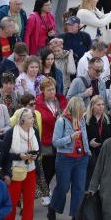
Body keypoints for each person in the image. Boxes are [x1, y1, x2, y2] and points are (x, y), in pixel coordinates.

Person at [47, 97, 91, 220]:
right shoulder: (62, 121)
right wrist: (70, 138)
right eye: (81, 108)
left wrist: (87, 152)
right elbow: (55, 142)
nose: (84, 110)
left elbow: (85, 137)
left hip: (81, 158)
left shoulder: (82, 120)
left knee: (79, 187)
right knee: (63, 186)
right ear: (75, 109)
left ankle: (76, 216)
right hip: (65, 158)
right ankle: (53, 207)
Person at [1, 108, 39, 220]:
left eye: (33, 117)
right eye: (30, 117)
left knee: (29, 201)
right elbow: (4, 154)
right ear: (22, 120)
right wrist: (19, 156)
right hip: (16, 170)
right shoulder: (11, 133)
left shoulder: (34, 132)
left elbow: (37, 149)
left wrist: (34, 155)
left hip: (31, 170)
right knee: (12, 199)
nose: (33, 119)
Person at [36, 77, 67, 205]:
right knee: (47, 167)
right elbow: (44, 119)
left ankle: (49, 190)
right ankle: (45, 192)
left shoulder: (61, 101)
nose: (52, 92)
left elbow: (68, 113)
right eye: (48, 90)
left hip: (60, 139)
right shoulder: (38, 104)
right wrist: (56, 119)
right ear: (42, 91)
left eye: (53, 89)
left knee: (57, 166)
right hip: (46, 140)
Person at [85, 95, 111, 190]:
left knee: (105, 178)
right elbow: (82, 136)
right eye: (98, 105)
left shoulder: (109, 119)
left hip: (106, 151)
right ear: (92, 106)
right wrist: (89, 143)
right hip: (91, 152)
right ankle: (89, 197)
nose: (101, 107)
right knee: (91, 177)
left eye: (103, 104)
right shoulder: (86, 119)